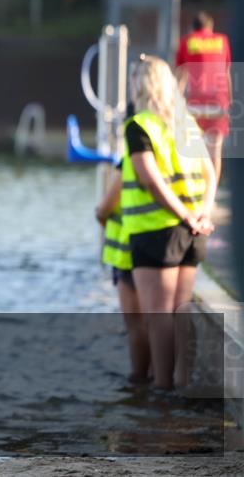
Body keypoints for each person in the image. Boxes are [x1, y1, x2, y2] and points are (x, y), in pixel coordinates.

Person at [121, 56, 216, 389]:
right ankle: (185, 381)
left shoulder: (139, 125)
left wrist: (183, 214)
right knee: (181, 310)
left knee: (159, 314)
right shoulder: (185, 123)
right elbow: (209, 173)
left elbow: (150, 179)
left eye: (134, 80)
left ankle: (162, 389)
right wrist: (202, 212)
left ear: (141, 85)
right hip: (193, 233)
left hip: (157, 231)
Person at [95, 162, 150, 384]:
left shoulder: (131, 160)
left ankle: (139, 381)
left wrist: (100, 214)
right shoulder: (179, 157)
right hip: (169, 246)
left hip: (129, 253)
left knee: (136, 325)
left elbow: (106, 207)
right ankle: (160, 379)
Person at [174, 11, 232, 183]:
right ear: (210, 27)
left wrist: (174, 101)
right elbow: (227, 72)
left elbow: (181, 76)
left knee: (191, 150)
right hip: (218, 104)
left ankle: (195, 192)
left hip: (195, 104)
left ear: (193, 28)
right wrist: (230, 102)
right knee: (215, 151)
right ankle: (211, 196)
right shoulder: (222, 40)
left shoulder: (187, 41)